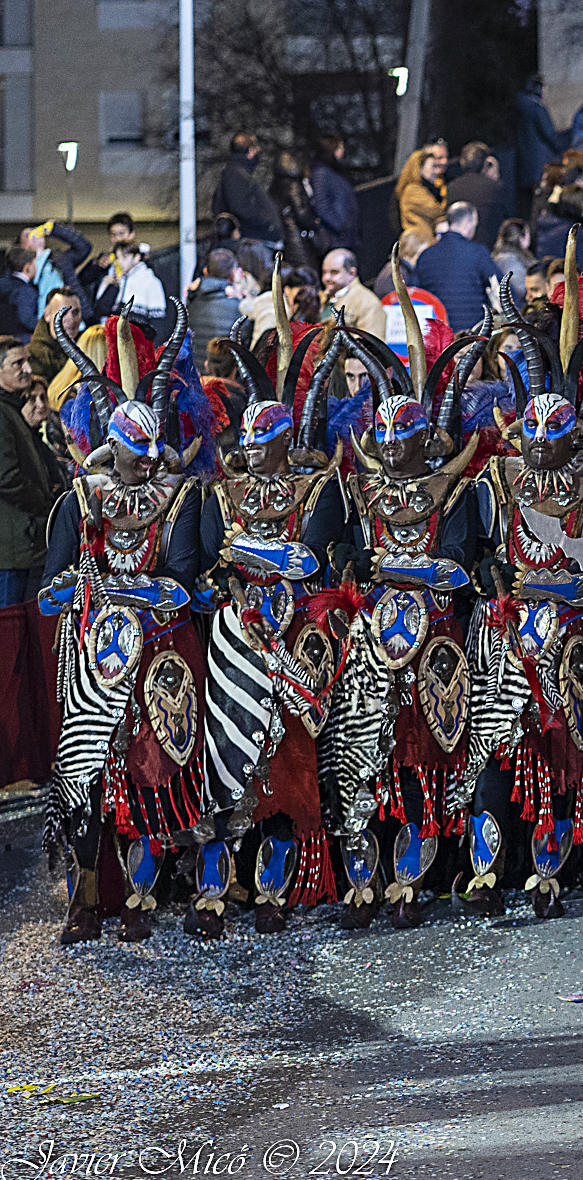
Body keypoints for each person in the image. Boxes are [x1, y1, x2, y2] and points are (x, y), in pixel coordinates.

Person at [39, 307, 215, 944]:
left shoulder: (181, 496)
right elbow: (50, 592)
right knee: (85, 775)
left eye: (150, 458)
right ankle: (85, 899)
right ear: (112, 448)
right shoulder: (80, 500)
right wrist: (82, 589)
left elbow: (187, 584)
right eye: (133, 458)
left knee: (155, 771)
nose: (142, 470)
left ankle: (148, 890)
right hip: (94, 657)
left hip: (161, 655)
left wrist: (147, 590)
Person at [322, 294, 485, 929]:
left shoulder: (460, 491)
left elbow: (454, 568)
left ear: (426, 439)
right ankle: (366, 875)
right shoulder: (360, 491)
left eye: (402, 436)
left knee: (425, 755)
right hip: (371, 649)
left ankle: (419, 876)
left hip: (439, 644)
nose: (389, 448)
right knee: (367, 757)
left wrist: (381, 569)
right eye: (381, 435)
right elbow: (338, 557)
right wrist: (347, 562)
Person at [465, 267, 583, 919]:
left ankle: (550, 870)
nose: (538, 447)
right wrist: (493, 583)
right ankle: (487, 872)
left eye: (551, 436)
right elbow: (474, 553)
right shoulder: (495, 482)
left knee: (565, 748)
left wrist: (563, 588)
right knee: (501, 747)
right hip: (509, 637)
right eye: (529, 435)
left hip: (573, 636)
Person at [198, 316, 348, 933]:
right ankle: (218, 878)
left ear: (288, 441)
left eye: (266, 442)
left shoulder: (319, 490)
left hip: (295, 640)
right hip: (234, 639)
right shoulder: (222, 491)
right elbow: (209, 562)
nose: (253, 451)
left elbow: (306, 560)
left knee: (285, 757)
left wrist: (242, 553)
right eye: (248, 441)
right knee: (225, 749)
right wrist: (238, 557)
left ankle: (275, 879)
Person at [0, 334, 54, 608]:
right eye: (17, 363)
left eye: (28, 361)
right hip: (11, 548)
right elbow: (7, 478)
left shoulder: (11, 409)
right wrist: (44, 504)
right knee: (9, 631)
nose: (28, 369)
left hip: (21, 544)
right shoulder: (2, 412)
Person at [412, 201, 499, 332]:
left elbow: (417, 295)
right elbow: (501, 285)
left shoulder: (425, 256)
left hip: (437, 333)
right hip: (471, 333)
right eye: (474, 224)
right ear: (466, 222)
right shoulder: (477, 252)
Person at [212, 132, 283, 247]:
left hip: (254, 240)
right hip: (253, 242)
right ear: (250, 151)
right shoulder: (235, 175)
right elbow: (242, 208)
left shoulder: (237, 173)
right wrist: (268, 223)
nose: (258, 150)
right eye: (256, 147)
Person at [94, 239, 169, 342]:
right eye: (118, 257)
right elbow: (101, 309)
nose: (120, 261)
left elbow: (158, 323)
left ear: (136, 257)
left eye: (124, 257)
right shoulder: (122, 280)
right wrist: (113, 286)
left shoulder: (150, 281)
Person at [21, 219, 93, 320]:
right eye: (28, 236)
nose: (35, 235)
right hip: (42, 317)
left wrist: (56, 229)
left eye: (35, 232)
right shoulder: (21, 264)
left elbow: (84, 247)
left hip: (70, 314)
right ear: (23, 245)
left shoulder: (59, 258)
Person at [512, 74, 565, 207]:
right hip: (540, 163)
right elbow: (549, 134)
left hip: (525, 163)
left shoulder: (520, 107)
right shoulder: (537, 109)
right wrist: (561, 150)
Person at [271, 149, 327, 273]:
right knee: (307, 274)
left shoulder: (275, 185)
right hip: (299, 240)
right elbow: (302, 213)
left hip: (285, 239)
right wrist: (315, 223)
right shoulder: (294, 185)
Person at [449, 142, 514, 249]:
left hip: (458, 248)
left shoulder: (451, 188)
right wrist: (495, 178)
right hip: (489, 249)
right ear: (485, 164)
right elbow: (510, 216)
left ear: (462, 162)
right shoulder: (496, 188)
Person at [309, 132, 359, 255]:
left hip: (344, 237)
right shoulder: (321, 173)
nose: (342, 151)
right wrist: (341, 227)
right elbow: (322, 206)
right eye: (340, 147)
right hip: (336, 239)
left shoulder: (331, 171)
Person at [321, 248, 384, 336]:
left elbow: (371, 343)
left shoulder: (367, 302)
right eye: (324, 272)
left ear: (352, 273)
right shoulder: (321, 299)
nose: (327, 278)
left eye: (334, 272)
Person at [399, 145, 449, 242]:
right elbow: (436, 211)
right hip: (419, 243)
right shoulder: (412, 190)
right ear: (419, 169)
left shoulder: (426, 189)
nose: (437, 171)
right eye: (433, 166)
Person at [0, 248, 38, 336]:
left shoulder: (3, 283)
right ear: (27, 268)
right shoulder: (26, 291)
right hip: (19, 338)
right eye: (34, 264)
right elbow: (26, 319)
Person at [493, 218, 534, 284]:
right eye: (527, 234)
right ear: (521, 239)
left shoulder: (497, 258)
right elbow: (518, 289)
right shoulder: (513, 262)